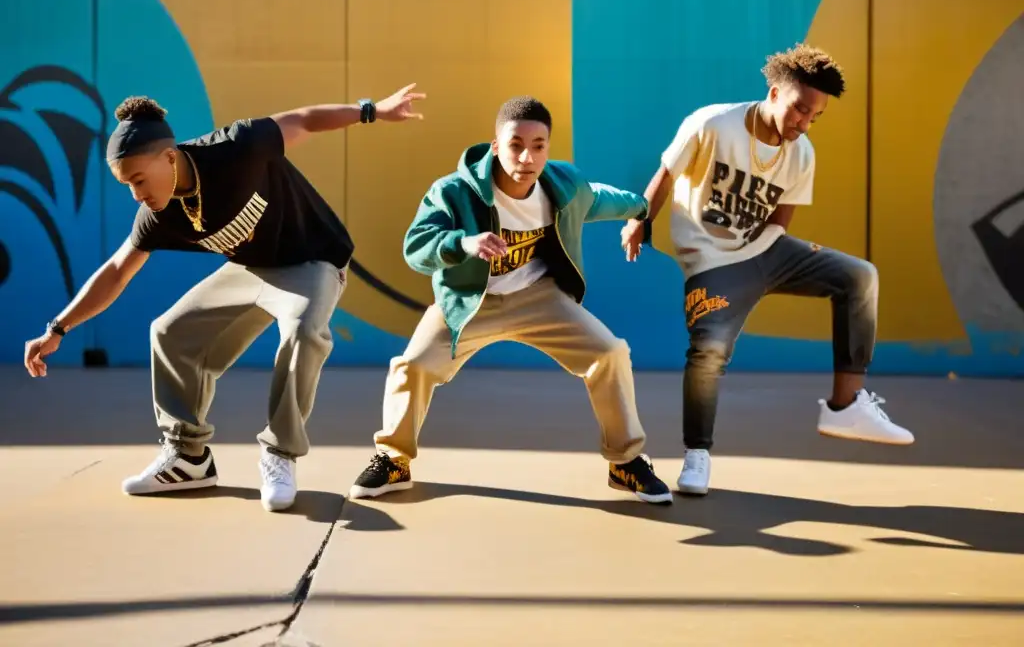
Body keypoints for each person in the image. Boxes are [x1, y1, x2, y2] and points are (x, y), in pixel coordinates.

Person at [23, 84, 425, 512]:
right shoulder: (158, 216)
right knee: (170, 332)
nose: (136, 194)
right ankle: (188, 458)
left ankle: (280, 453)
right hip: (250, 269)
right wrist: (58, 329)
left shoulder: (239, 146)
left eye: (138, 179)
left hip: (314, 259)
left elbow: (303, 119)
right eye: (126, 185)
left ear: (170, 157)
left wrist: (371, 111)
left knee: (304, 330)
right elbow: (118, 271)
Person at [620, 44, 914, 497]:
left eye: (814, 117)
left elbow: (781, 218)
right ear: (775, 93)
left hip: (765, 249)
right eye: (799, 110)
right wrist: (640, 220)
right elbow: (665, 173)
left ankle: (845, 404)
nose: (804, 123)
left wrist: (766, 264)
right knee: (710, 349)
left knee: (859, 276)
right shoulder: (712, 123)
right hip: (710, 259)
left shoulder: (802, 153)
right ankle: (697, 454)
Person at [348, 96, 673, 504]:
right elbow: (416, 248)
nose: (527, 156)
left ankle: (625, 462)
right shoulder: (454, 192)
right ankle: (393, 459)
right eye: (516, 144)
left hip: (538, 297)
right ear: (496, 146)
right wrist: (463, 243)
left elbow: (603, 199)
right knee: (412, 366)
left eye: (538, 146)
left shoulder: (564, 187)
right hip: (470, 302)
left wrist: (641, 209)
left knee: (609, 353)